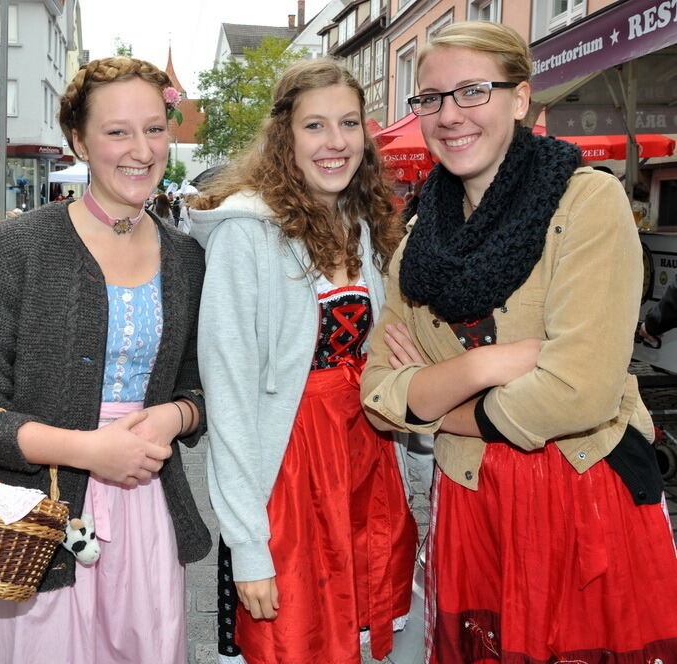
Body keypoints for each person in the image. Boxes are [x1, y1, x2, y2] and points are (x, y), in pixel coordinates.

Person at [360, 21, 677, 663]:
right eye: (431, 98)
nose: (450, 116)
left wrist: (441, 400)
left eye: (473, 91)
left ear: (521, 98)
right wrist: (489, 363)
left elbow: (577, 393)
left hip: (582, 497)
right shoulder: (419, 238)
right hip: (472, 507)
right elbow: (377, 397)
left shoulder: (587, 202)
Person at [0, 56, 211, 663]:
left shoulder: (186, 257)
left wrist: (174, 418)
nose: (141, 148)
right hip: (34, 514)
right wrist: (89, 449)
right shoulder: (16, 247)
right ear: (79, 140)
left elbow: (200, 386)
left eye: (155, 127)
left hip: (145, 503)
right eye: (117, 131)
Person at [189, 58, 416, 664]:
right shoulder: (247, 236)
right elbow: (230, 398)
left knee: (356, 640)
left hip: (363, 461)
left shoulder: (364, 223)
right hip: (289, 475)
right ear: (285, 135)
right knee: (295, 643)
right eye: (315, 126)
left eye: (348, 123)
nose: (335, 143)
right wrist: (248, 547)